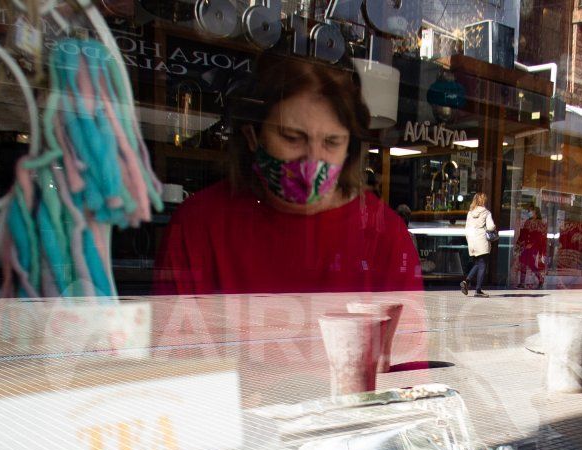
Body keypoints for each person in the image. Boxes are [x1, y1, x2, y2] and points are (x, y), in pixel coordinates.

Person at [152, 51, 421, 294]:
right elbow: (172, 347)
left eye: (331, 142)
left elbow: (408, 347)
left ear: (349, 148)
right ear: (252, 136)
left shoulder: (386, 236)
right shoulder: (196, 225)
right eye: (292, 137)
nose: (313, 159)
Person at [460, 192, 496, 297]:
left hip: (472, 240)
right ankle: (478, 290)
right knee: (483, 264)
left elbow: (466, 228)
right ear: (483, 201)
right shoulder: (486, 212)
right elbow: (490, 227)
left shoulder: (470, 213)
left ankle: (466, 282)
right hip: (481, 240)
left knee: (477, 263)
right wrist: (494, 227)